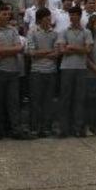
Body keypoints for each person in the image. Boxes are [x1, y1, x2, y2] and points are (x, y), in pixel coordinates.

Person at [0, 4, 30, 140]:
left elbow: (19, 48)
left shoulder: (13, 30)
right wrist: (10, 50)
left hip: (13, 71)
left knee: (13, 102)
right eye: (4, 14)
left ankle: (16, 130)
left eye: (8, 14)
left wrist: (3, 52)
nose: (7, 16)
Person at [57, 6, 92, 137]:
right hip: (66, 68)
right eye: (70, 15)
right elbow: (62, 50)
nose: (72, 17)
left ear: (79, 16)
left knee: (79, 99)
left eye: (74, 15)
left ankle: (78, 128)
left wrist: (71, 46)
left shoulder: (86, 32)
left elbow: (88, 50)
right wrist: (79, 48)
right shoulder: (64, 31)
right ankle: (64, 129)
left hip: (81, 68)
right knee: (65, 99)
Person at [26, 8, 59, 138]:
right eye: (46, 18)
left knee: (48, 102)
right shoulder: (32, 31)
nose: (49, 20)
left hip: (51, 71)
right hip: (37, 71)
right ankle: (34, 128)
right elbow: (31, 52)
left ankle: (46, 128)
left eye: (50, 17)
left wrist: (41, 52)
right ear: (40, 19)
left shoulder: (54, 33)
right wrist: (48, 51)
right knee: (35, 101)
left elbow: (56, 53)